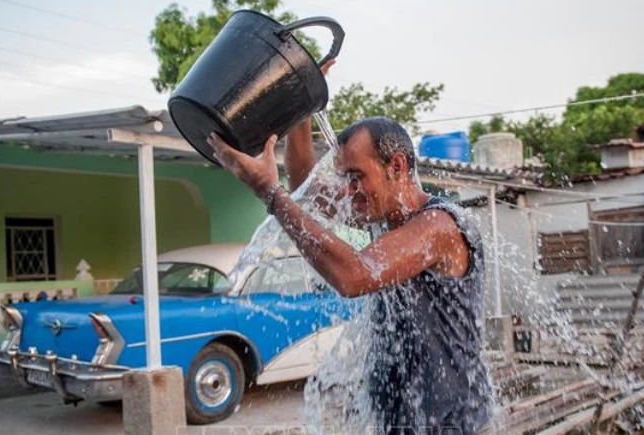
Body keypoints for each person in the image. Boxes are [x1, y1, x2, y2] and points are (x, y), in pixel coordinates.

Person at [207, 70, 493, 434]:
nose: (349, 189)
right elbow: (305, 190)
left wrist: (269, 192)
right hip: (402, 421)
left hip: (455, 425)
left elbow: (354, 275)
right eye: (344, 177)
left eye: (357, 176)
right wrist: (303, 106)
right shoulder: (380, 214)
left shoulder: (438, 227)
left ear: (398, 167)